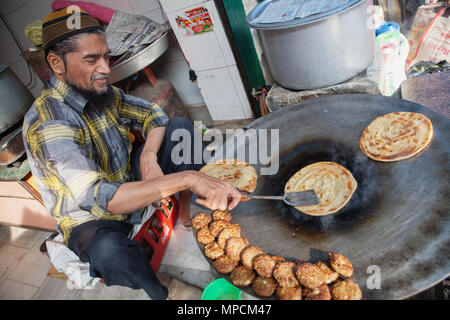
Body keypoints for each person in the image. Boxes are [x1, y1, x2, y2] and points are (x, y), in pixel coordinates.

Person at [22, 7, 241, 300]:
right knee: (108, 252)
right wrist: (186, 178)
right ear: (56, 63)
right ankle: (165, 289)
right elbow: (105, 198)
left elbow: (153, 113)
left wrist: (148, 155)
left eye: (105, 56)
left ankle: (190, 213)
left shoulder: (100, 90)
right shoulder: (50, 123)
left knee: (179, 128)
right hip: (92, 216)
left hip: (127, 179)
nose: (105, 68)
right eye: (91, 59)